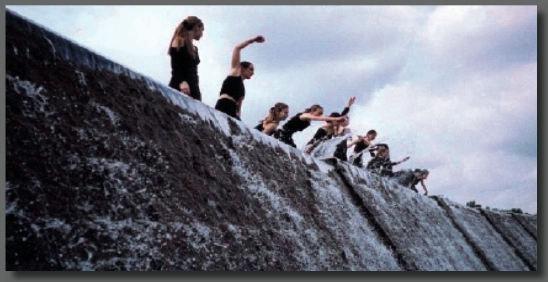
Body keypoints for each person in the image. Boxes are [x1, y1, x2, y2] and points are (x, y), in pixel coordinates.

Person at [214, 35, 265, 120]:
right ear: (242, 68)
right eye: (251, 69)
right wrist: (253, 40)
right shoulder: (235, 72)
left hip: (233, 109)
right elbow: (237, 48)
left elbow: (239, 108)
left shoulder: (242, 89)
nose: (253, 72)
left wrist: (239, 119)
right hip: (224, 104)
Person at [273, 105, 346, 148]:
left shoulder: (310, 118)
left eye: (322, 113)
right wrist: (337, 118)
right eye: (319, 113)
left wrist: (345, 110)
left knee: (294, 149)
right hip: (281, 133)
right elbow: (322, 118)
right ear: (312, 111)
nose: (321, 114)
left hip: (287, 136)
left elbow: (331, 119)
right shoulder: (305, 115)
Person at [168, 16, 205, 101]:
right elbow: (176, 65)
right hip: (181, 86)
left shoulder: (194, 49)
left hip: (193, 88)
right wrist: (182, 82)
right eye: (202, 30)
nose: (202, 34)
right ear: (196, 28)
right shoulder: (179, 41)